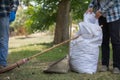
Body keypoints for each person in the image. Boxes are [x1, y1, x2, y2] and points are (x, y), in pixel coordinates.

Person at [86, 0, 120, 74]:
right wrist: (90, 7)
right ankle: (105, 64)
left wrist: (101, 11)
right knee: (104, 41)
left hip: (113, 16)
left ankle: (116, 66)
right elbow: (94, 1)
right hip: (102, 17)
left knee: (115, 41)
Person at [0, 0, 19, 69]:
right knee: (3, 39)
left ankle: (2, 63)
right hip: (4, 14)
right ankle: (2, 63)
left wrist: (13, 11)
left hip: (4, 14)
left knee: (3, 39)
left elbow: (15, 1)